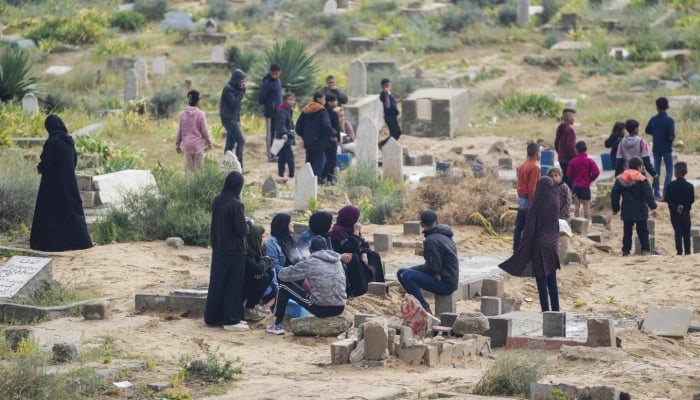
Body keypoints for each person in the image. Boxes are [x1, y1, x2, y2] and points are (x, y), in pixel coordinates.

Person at [30, 115, 93, 252]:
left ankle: (52, 245)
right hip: (69, 183)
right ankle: (82, 242)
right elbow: (74, 162)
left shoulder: (52, 141)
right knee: (72, 212)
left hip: (52, 185)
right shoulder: (69, 141)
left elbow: (47, 163)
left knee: (50, 213)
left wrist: (39, 168)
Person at [500, 176, 560, 312]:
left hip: (538, 245)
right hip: (552, 245)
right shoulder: (555, 201)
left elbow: (530, 227)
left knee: (541, 280)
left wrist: (523, 246)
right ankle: (556, 310)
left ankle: (545, 310)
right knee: (552, 279)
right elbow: (556, 225)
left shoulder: (536, 203)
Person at [266, 236, 347, 335]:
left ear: (310, 249)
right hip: (340, 306)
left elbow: (283, 276)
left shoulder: (310, 262)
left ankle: (277, 324)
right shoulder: (337, 261)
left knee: (283, 287)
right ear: (326, 248)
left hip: (321, 307)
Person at [204, 171, 249, 331]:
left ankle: (212, 316)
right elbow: (241, 229)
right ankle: (230, 319)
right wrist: (248, 225)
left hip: (219, 248)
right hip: (235, 251)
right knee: (233, 285)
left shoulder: (218, 200)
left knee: (217, 283)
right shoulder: (236, 204)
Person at [396, 210, 459, 315]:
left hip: (445, 284)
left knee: (406, 275)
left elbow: (433, 268)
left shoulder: (431, 240)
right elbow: (437, 262)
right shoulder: (446, 236)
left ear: (421, 225)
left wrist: (433, 271)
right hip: (449, 278)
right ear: (437, 222)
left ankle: (423, 307)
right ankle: (414, 302)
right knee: (401, 272)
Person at [330, 205, 385, 297]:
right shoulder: (337, 231)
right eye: (357, 217)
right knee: (354, 257)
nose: (358, 219)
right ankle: (361, 289)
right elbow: (348, 249)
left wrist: (364, 253)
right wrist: (355, 233)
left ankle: (377, 285)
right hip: (343, 258)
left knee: (374, 255)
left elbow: (364, 244)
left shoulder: (352, 227)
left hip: (356, 254)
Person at [611, 157, 658, 256]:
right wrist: (653, 207)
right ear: (639, 167)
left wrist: (615, 208)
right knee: (643, 230)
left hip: (627, 209)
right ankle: (645, 250)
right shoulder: (642, 179)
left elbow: (614, 194)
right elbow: (648, 194)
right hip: (640, 209)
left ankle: (626, 250)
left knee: (627, 231)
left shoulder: (620, 178)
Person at [295, 91, 336, 180]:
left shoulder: (305, 110)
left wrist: (304, 136)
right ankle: (316, 181)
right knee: (318, 161)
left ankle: (307, 180)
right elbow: (326, 125)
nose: (325, 101)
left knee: (309, 161)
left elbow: (298, 127)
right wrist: (333, 133)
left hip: (308, 141)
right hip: (319, 141)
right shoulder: (322, 111)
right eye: (323, 99)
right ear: (318, 99)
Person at [645, 96, 675, 200]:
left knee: (656, 170)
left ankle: (656, 193)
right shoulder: (669, 120)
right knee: (669, 170)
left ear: (657, 107)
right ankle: (666, 193)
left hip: (656, 147)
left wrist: (657, 133)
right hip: (667, 148)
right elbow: (671, 135)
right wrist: (670, 139)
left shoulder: (653, 119)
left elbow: (647, 130)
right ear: (667, 106)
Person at [242, 223, 273, 321]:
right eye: (262, 237)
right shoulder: (246, 251)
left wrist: (263, 264)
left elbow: (271, 263)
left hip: (253, 277)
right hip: (243, 282)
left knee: (270, 273)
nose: (264, 239)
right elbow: (259, 267)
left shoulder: (260, 248)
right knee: (264, 277)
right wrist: (263, 264)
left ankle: (253, 304)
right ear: (255, 237)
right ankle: (249, 308)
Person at [513, 142, 541, 251]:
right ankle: (524, 251)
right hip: (527, 198)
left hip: (521, 197)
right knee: (528, 226)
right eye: (539, 152)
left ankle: (516, 249)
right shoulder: (534, 168)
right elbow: (532, 188)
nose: (540, 155)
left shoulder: (523, 165)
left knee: (519, 225)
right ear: (536, 153)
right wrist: (533, 203)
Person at [177, 90, 212, 175]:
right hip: (198, 147)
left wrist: (177, 144)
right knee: (199, 169)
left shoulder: (182, 114)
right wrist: (209, 143)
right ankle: (198, 187)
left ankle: (188, 187)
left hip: (187, 146)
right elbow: (204, 131)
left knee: (188, 169)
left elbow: (180, 131)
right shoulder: (200, 114)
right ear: (198, 101)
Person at [664, 162, 694, 255]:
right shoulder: (689, 186)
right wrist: (684, 207)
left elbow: (667, 198)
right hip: (685, 213)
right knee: (686, 233)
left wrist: (675, 207)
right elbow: (691, 200)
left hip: (674, 213)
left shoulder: (670, 185)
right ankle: (688, 251)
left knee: (678, 232)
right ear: (686, 172)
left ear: (675, 172)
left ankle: (679, 251)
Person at [220, 69, 247, 169]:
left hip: (234, 119)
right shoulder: (228, 89)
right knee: (241, 140)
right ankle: (239, 165)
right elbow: (234, 103)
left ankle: (227, 165)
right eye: (241, 80)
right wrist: (241, 91)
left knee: (230, 143)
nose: (242, 82)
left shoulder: (235, 88)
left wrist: (241, 90)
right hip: (228, 119)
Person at [566, 141, 600, 220]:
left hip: (576, 186)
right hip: (585, 186)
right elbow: (596, 172)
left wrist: (574, 180)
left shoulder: (573, 161)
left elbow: (568, 174)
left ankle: (576, 221)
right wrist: (590, 179)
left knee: (576, 206)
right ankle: (586, 223)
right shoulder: (589, 161)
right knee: (586, 206)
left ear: (576, 150)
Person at [259, 63, 283, 160]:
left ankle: (275, 153)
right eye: (273, 73)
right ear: (270, 72)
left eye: (276, 74)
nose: (275, 75)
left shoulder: (278, 81)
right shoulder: (268, 83)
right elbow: (262, 97)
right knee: (270, 134)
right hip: (270, 112)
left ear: (279, 73)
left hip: (278, 112)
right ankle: (269, 155)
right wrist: (264, 105)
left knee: (277, 133)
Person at [378, 78, 405, 148]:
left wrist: (401, 99)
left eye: (389, 85)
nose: (388, 87)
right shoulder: (383, 94)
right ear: (382, 87)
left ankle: (387, 145)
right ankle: (383, 144)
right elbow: (387, 105)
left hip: (393, 116)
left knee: (396, 133)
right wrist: (387, 94)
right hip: (389, 116)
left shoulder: (389, 93)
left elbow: (393, 102)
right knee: (396, 133)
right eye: (386, 86)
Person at [321, 93, 341, 185]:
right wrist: (338, 138)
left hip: (324, 139)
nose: (336, 103)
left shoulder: (322, 112)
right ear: (329, 102)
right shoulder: (333, 114)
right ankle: (328, 177)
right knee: (331, 160)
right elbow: (336, 128)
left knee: (328, 159)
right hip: (332, 140)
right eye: (334, 101)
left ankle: (325, 177)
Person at [554, 108, 576, 189]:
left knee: (566, 178)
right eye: (573, 116)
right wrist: (575, 157)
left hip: (561, 158)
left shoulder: (560, 128)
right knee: (570, 180)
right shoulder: (569, 130)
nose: (574, 119)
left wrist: (560, 153)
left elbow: (556, 143)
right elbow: (571, 146)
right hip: (568, 159)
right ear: (569, 117)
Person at [275, 92, 296, 178]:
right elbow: (281, 123)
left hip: (286, 136)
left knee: (282, 157)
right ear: (284, 101)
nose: (291, 102)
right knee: (289, 157)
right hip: (284, 137)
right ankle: (291, 174)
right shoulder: (282, 111)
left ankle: (281, 174)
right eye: (289, 100)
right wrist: (284, 133)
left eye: (292, 100)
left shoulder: (288, 111)